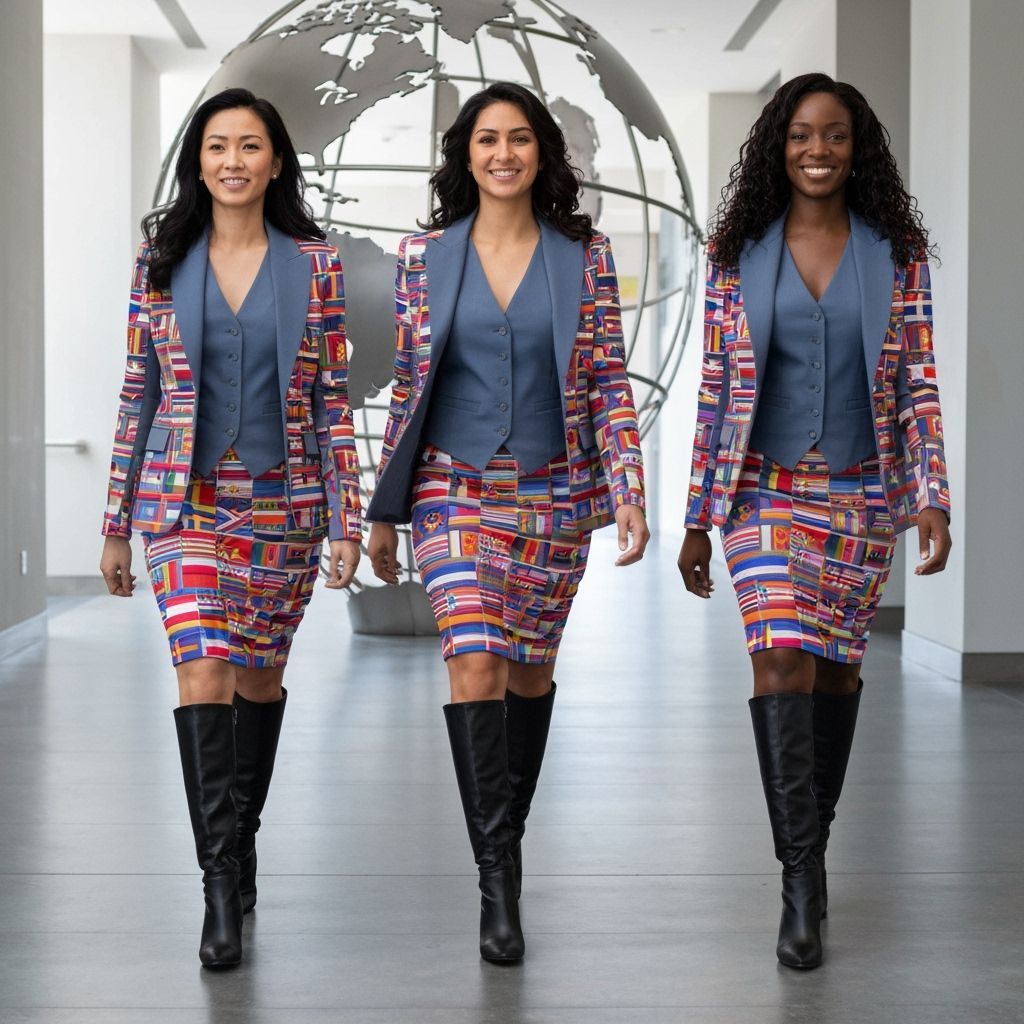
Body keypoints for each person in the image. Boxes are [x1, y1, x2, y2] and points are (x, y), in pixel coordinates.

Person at [365, 82, 649, 963]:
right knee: (476, 660)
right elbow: (410, 383)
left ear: (542, 154)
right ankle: (497, 884)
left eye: (519, 138)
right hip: (453, 489)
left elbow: (606, 379)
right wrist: (384, 506)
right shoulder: (423, 255)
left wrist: (629, 488)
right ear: (465, 153)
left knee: (528, 675)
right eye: (486, 138)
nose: (502, 153)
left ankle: (505, 843)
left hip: (553, 496)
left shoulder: (585, 256)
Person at [678, 73, 951, 970]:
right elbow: (717, 390)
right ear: (777, 146)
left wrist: (932, 498)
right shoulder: (737, 251)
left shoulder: (895, 255)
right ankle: (799, 883)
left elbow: (917, 385)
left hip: (864, 499)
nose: (818, 151)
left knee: (834, 678)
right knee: (780, 659)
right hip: (762, 496)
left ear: (857, 145)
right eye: (801, 135)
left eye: (834, 135)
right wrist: (696, 516)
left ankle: (814, 847)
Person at [99, 88, 362, 968]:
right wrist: (112, 523)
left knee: (257, 682)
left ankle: (240, 845)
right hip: (185, 509)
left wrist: (347, 519)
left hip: (284, 510)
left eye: (251, 146)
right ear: (198, 161)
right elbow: (139, 395)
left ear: (276, 161)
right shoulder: (160, 261)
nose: (234, 161)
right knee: (204, 670)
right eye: (218, 146)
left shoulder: (315, 266)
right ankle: (217, 885)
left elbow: (332, 403)